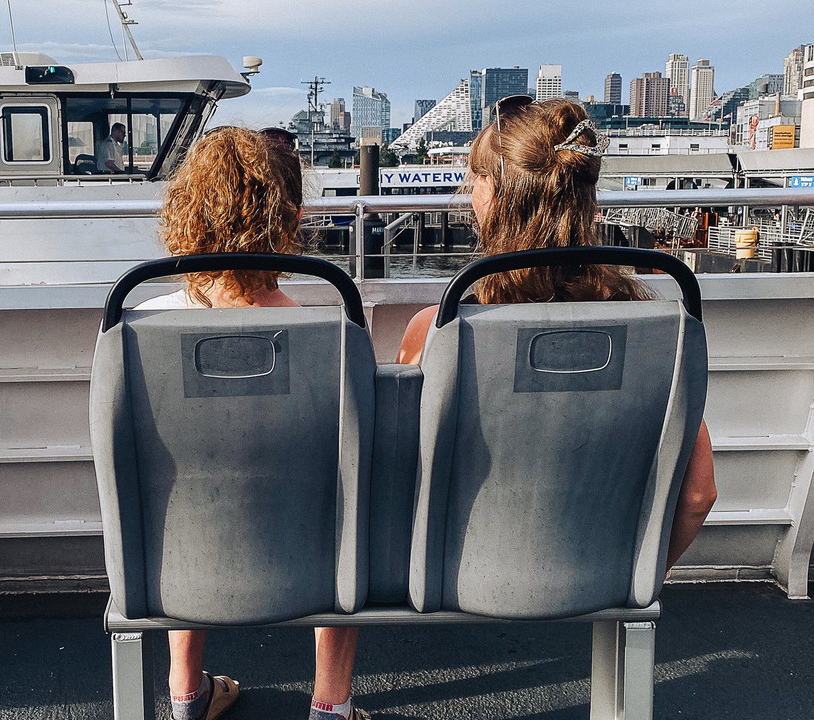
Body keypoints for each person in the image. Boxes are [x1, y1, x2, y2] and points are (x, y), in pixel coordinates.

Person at [396, 97, 716, 571]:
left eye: (477, 175)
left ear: (492, 193)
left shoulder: (437, 331)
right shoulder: (652, 329)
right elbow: (697, 493)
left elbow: (399, 480)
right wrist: (638, 582)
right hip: (598, 576)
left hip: (453, 577)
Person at [135, 127, 368, 720]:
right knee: (346, 512)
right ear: (288, 219)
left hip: (181, 551)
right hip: (308, 555)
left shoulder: (137, 330)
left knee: (172, 496)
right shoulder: (333, 336)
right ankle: (331, 706)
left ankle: (186, 693)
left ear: (187, 213)